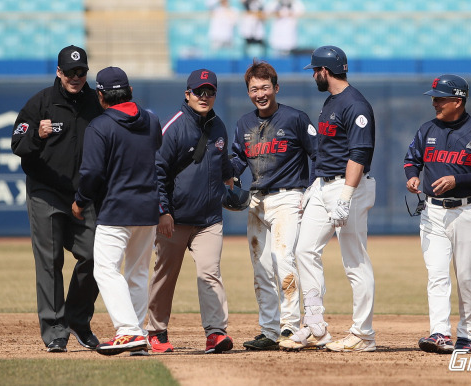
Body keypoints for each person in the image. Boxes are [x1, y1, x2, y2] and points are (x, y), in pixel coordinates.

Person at [279, 46, 377, 352]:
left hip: (349, 186)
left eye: (315, 71)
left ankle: (363, 335)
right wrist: (313, 188)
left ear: (325, 71)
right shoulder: (331, 101)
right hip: (324, 185)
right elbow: (325, 151)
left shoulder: (355, 104)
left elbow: (358, 154)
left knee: (355, 261)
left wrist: (346, 195)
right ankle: (315, 324)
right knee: (304, 250)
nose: (314, 76)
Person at [11, 45, 103, 353]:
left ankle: (77, 318)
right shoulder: (40, 103)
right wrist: (37, 134)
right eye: (70, 72)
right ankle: (54, 330)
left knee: (96, 257)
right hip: (46, 192)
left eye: (82, 72)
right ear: (58, 72)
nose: (76, 77)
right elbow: (17, 145)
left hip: (83, 196)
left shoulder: (95, 102)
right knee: (50, 262)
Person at [403, 74, 471, 354]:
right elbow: (411, 160)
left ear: (458, 101)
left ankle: (466, 336)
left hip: (467, 210)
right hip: (432, 212)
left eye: (440, 98)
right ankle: (440, 333)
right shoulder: (426, 129)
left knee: (468, 277)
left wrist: (457, 181)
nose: (434, 102)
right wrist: (412, 177)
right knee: (437, 275)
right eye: (434, 97)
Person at [71, 67, 163, 356]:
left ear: (100, 96)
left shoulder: (100, 126)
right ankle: (137, 338)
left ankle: (128, 331)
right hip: (148, 208)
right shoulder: (151, 120)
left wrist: (81, 200)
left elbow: (92, 172)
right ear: (130, 91)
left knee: (106, 269)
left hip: (116, 208)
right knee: (136, 273)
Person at [146, 69, 236, 354]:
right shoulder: (173, 126)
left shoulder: (219, 126)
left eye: (209, 92)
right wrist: (163, 211)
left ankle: (216, 333)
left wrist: (232, 179)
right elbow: (156, 171)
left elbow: (222, 166)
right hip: (175, 218)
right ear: (187, 94)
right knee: (164, 275)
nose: (204, 96)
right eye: (199, 91)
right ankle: (156, 331)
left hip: (209, 219)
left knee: (210, 274)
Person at [230, 60, 317, 350]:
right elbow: (238, 159)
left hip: (288, 197)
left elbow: (318, 154)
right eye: (254, 89)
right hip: (257, 200)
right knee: (262, 267)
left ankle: (290, 327)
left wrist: (312, 191)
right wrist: (227, 173)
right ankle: (269, 329)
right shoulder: (244, 124)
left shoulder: (295, 118)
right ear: (248, 92)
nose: (260, 93)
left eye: (265, 87)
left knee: (284, 260)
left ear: (276, 88)